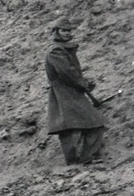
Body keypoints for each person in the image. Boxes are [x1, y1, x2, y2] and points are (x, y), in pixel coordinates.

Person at [45, 17, 106, 165]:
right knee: (73, 127)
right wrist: (83, 83)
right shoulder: (56, 51)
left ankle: (83, 160)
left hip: (71, 91)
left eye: (69, 30)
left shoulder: (63, 48)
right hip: (64, 93)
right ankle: (78, 162)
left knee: (84, 124)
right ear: (56, 31)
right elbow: (67, 73)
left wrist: (83, 82)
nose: (67, 33)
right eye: (63, 30)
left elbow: (71, 73)